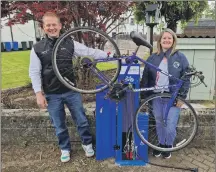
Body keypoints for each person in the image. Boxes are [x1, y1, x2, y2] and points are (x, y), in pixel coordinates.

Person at [29, 12, 110, 163]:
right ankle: (65, 148)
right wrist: (38, 93)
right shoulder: (37, 48)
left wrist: (108, 55)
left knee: (81, 120)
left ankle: (87, 144)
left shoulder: (69, 42)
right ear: (43, 27)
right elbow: (34, 72)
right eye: (48, 25)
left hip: (71, 90)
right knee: (59, 124)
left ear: (60, 26)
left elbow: (88, 51)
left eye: (54, 24)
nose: (51, 27)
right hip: (52, 93)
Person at [140, 28, 190, 159]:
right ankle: (160, 145)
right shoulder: (152, 57)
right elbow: (146, 77)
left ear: (173, 41)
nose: (167, 40)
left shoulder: (180, 57)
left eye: (169, 38)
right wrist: (144, 98)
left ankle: (168, 145)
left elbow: (186, 78)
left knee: (170, 124)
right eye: (164, 38)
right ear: (160, 41)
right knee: (159, 122)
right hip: (156, 96)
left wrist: (182, 97)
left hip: (172, 97)